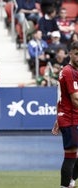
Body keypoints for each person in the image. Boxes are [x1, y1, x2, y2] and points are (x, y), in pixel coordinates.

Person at [52, 41, 78, 188]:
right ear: (70, 53)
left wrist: (57, 117)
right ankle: (67, 184)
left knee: (73, 154)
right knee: (70, 155)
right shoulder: (69, 72)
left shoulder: (71, 71)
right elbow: (75, 100)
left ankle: (70, 182)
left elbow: (60, 96)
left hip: (71, 117)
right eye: (76, 54)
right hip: (71, 118)